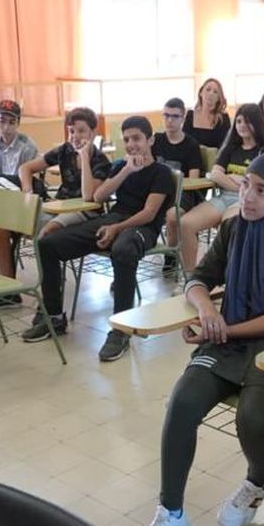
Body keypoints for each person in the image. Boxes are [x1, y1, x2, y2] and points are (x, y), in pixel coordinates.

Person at [128, 152, 264, 526]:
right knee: (182, 403)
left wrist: (221, 328)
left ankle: (256, 481)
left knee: (251, 415)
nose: (248, 197)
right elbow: (199, 278)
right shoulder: (235, 229)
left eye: (262, 190)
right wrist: (208, 311)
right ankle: (172, 513)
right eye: (247, 184)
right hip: (229, 336)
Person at [22, 116, 174, 362]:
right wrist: (126, 170)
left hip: (142, 227)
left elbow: (148, 213)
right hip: (112, 220)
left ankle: (121, 329)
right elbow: (98, 196)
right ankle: (53, 318)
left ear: (150, 140)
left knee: (123, 250)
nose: (132, 144)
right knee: (47, 244)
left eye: (137, 138)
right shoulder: (120, 166)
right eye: (127, 139)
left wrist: (117, 228)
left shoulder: (162, 173)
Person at [166, 103, 264, 274]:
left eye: (247, 121)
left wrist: (238, 180)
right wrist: (241, 181)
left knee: (229, 227)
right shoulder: (230, 148)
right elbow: (215, 174)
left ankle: (228, 279)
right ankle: (190, 277)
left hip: (246, 201)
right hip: (223, 197)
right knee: (186, 223)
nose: (242, 126)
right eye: (238, 121)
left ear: (257, 123)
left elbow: (261, 184)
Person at [17, 107, 111, 245]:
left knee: (47, 231)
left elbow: (88, 197)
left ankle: (46, 261)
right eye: (71, 131)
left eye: (81, 131)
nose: (75, 136)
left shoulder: (100, 161)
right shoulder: (64, 150)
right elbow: (25, 168)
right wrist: (28, 191)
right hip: (61, 206)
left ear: (93, 132)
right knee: (12, 223)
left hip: (86, 211)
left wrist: (84, 156)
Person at [152, 97, 204, 222]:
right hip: (158, 190)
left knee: (172, 216)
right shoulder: (156, 140)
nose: (170, 120)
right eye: (166, 115)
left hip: (182, 192)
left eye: (175, 116)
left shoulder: (191, 145)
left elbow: (193, 179)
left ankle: (175, 242)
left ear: (183, 118)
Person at [183, 78, 232, 149]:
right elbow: (184, 142)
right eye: (208, 90)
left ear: (218, 98)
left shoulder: (223, 119)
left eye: (215, 92)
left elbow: (226, 146)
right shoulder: (190, 115)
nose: (211, 94)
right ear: (201, 93)